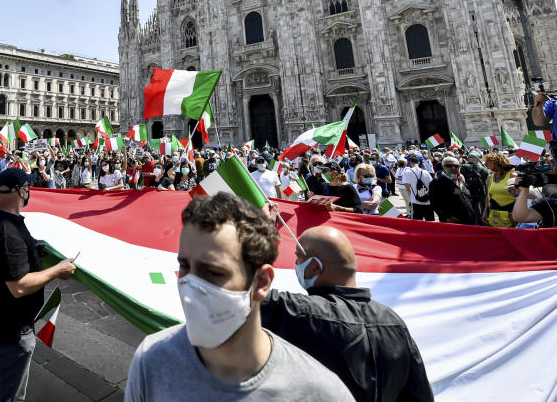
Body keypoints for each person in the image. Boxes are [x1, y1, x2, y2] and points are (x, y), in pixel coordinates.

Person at [124, 193, 353, 402]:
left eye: (213, 272)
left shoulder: (321, 393)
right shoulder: (151, 359)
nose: (190, 285)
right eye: (184, 266)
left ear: (261, 283)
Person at [260, 225, 434, 401]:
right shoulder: (394, 322)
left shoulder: (302, 313)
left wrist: (259, 235)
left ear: (314, 267)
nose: (295, 264)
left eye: (298, 258)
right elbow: (419, 396)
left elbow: (242, 294)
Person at [0, 168, 76, 402]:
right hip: (10, 332)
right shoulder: (7, 230)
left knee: (6, 392)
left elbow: (8, 262)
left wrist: (32, 251)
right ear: (21, 190)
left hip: (4, 326)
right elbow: (19, 286)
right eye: (28, 187)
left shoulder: (2, 219)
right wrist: (57, 269)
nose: (29, 191)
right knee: (10, 397)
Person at [428, 156, 480, 225]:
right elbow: (434, 203)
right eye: (449, 166)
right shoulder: (437, 182)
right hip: (453, 225)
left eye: (456, 166)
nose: (453, 168)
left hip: (469, 222)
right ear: (443, 168)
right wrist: (447, 217)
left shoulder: (461, 181)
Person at [483, 153, 517, 228]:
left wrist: (515, 213)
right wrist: (485, 211)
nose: (485, 164)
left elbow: (520, 196)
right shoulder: (490, 177)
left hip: (510, 215)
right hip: (493, 214)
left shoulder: (512, 176)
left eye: (488, 161)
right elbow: (488, 196)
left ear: (497, 162)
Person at [400, 155, 434, 221]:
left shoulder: (407, 172)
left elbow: (407, 187)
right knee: (430, 221)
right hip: (427, 201)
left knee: (416, 222)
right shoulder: (425, 172)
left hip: (415, 201)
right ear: (418, 163)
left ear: (410, 162)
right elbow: (431, 185)